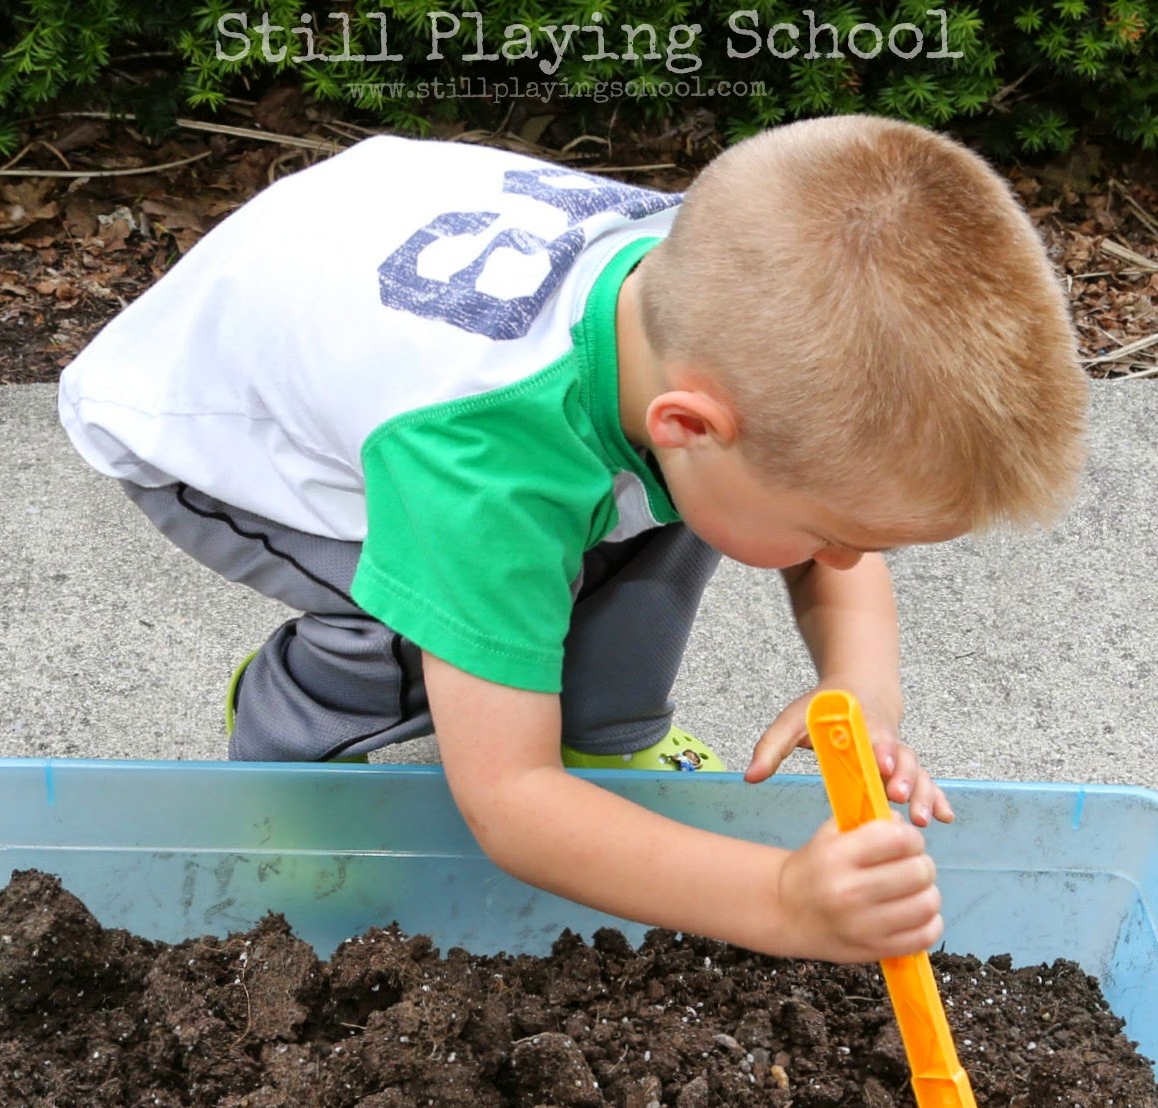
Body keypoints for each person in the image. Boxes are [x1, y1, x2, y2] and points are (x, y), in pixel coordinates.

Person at [58, 115, 1087, 966]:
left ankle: (606, 725)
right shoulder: (478, 467)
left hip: (392, 269)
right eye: (834, 533)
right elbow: (509, 804)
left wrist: (862, 689)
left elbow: (817, 524)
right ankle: (296, 738)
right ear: (689, 422)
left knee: (701, 510)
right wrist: (780, 899)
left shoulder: (732, 321)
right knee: (412, 629)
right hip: (234, 429)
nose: (848, 561)